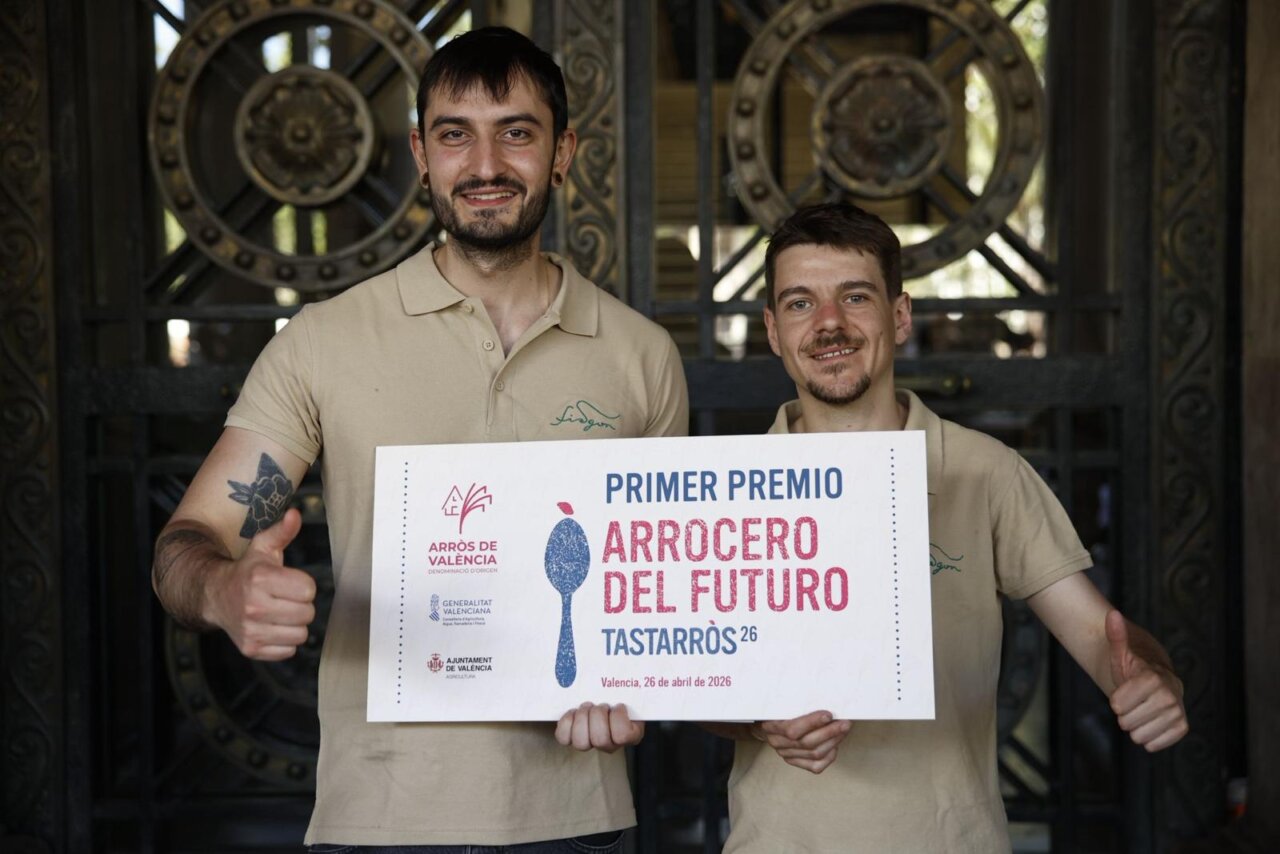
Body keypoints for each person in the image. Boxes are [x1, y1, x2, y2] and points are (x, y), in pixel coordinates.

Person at [151, 27, 688, 852]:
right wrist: (225, 592)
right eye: (454, 134)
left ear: (564, 150)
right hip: (380, 814)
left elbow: (666, 591)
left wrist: (643, 679)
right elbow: (189, 542)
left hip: (578, 818)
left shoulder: (641, 357)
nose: (484, 165)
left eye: (516, 131)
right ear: (419, 151)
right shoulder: (324, 341)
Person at [707, 202, 1188, 852]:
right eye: (799, 304)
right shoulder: (726, 486)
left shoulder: (985, 472)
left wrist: (1147, 679)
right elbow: (702, 684)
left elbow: (1102, 638)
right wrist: (760, 720)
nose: (828, 325)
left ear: (899, 315)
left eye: (855, 297)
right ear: (771, 328)